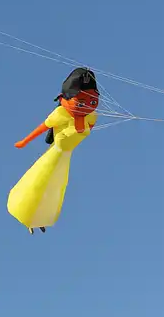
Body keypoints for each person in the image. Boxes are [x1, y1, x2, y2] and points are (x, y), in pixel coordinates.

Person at [7, 67, 99, 234]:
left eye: (92, 102)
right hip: (57, 151)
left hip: (65, 156)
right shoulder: (60, 114)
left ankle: (40, 218)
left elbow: (87, 129)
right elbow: (43, 127)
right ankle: (26, 215)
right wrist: (24, 141)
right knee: (38, 182)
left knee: (54, 189)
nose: (87, 106)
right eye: (81, 102)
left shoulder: (91, 117)